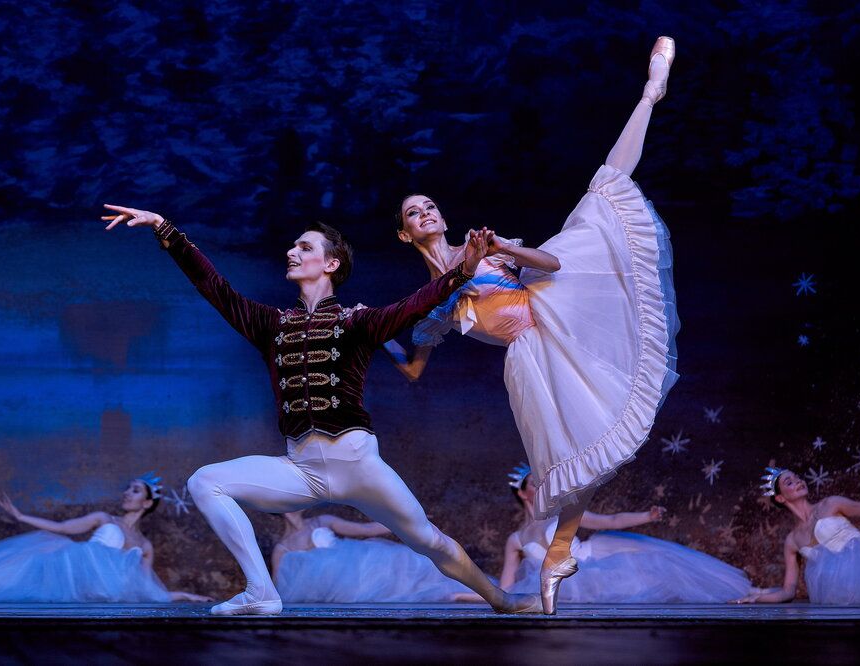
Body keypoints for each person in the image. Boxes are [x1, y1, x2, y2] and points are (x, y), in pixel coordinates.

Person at [101, 208, 539, 616]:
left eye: (305, 247)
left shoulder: (357, 321)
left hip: (357, 464)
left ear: (331, 264)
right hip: (302, 469)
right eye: (293, 247)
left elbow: (416, 304)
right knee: (205, 481)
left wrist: (462, 272)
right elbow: (216, 290)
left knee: (429, 541)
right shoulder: (271, 324)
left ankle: (501, 599)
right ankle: (262, 591)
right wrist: (165, 229)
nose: (292, 252)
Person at [386, 37, 680, 613]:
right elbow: (418, 363)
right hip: (528, 357)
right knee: (580, 455)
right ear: (405, 234)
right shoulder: (428, 299)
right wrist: (383, 344)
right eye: (414, 212)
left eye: (430, 206)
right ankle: (558, 554)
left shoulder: (482, 250)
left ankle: (649, 95)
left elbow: (554, 264)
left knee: (602, 198)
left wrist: (505, 247)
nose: (428, 213)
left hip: (553, 314)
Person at [0, 474, 210, 603]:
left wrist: (183, 594)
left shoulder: (145, 546)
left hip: (99, 593)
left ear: (147, 503)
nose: (127, 493)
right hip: (74, 570)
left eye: (135, 490)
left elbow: (148, 589)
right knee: (15, 568)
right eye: (127, 489)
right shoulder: (104, 518)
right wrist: (22, 517)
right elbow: (63, 528)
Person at [497, 464, 754, 603]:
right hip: (564, 580)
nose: (541, 486)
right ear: (523, 493)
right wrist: (461, 595)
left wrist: (647, 516)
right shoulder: (516, 539)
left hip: (592, 559)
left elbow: (610, 520)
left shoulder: (562, 513)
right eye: (535, 483)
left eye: (544, 481)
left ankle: (749, 594)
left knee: (659, 563)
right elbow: (506, 587)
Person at [735, 467, 860, 605]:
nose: (799, 481)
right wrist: (755, 598)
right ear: (780, 498)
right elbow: (788, 591)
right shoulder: (792, 541)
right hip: (843, 592)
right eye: (790, 482)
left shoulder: (830, 504)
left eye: (798, 477)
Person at [273, 510, 476, 603]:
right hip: (339, 590)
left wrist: (406, 522)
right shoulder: (282, 548)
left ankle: (474, 591)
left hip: (359, 569)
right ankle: (456, 596)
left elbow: (366, 529)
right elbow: (276, 584)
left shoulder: (321, 521)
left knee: (408, 560)